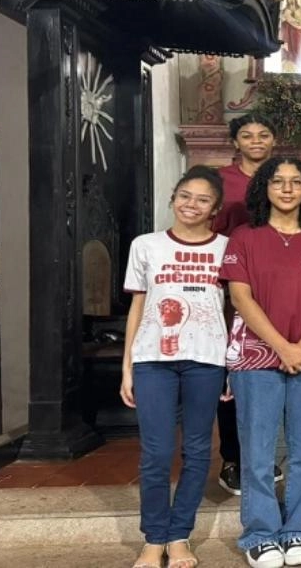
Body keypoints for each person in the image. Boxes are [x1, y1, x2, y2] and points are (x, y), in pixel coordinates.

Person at [220, 157, 301, 568]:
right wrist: (281, 347)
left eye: (296, 182)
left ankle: (297, 529)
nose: (287, 189)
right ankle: (260, 533)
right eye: (278, 181)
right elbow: (240, 297)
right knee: (258, 450)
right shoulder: (244, 236)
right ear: (264, 189)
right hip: (256, 356)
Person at [121, 167, 228, 568]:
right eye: (185, 196)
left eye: (203, 200)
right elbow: (138, 306)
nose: (191, 205)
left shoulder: (228, 248)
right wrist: (128, 366)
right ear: (172, 198)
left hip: (207, 359)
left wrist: (232, 363)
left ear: (215, 209)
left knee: (198, 450)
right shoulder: (146, 246)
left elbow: (234, 309)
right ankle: (154, 538)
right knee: (156, 452)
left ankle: (180, 534)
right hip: (153, 361)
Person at [212, 114, 282, 496]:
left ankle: (266, 454)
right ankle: (233, 458)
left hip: (279, 289)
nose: (256, 140)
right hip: (232, 290)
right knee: (234, 375)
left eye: (263, 134)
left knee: (271, 373)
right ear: (235, 142)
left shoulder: (286, 176)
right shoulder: (221, 181)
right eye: (247, 135)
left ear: (274, 140)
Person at [278, 0, 301, 73]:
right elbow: (282, 20)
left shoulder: (300, 10)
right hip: (287, 33)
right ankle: (286, 69)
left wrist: (298, 23)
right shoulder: (285, 10)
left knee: (296, 49)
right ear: (287, 0)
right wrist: (286, 19)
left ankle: (296, 67)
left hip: (297, 33)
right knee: (287, 49)